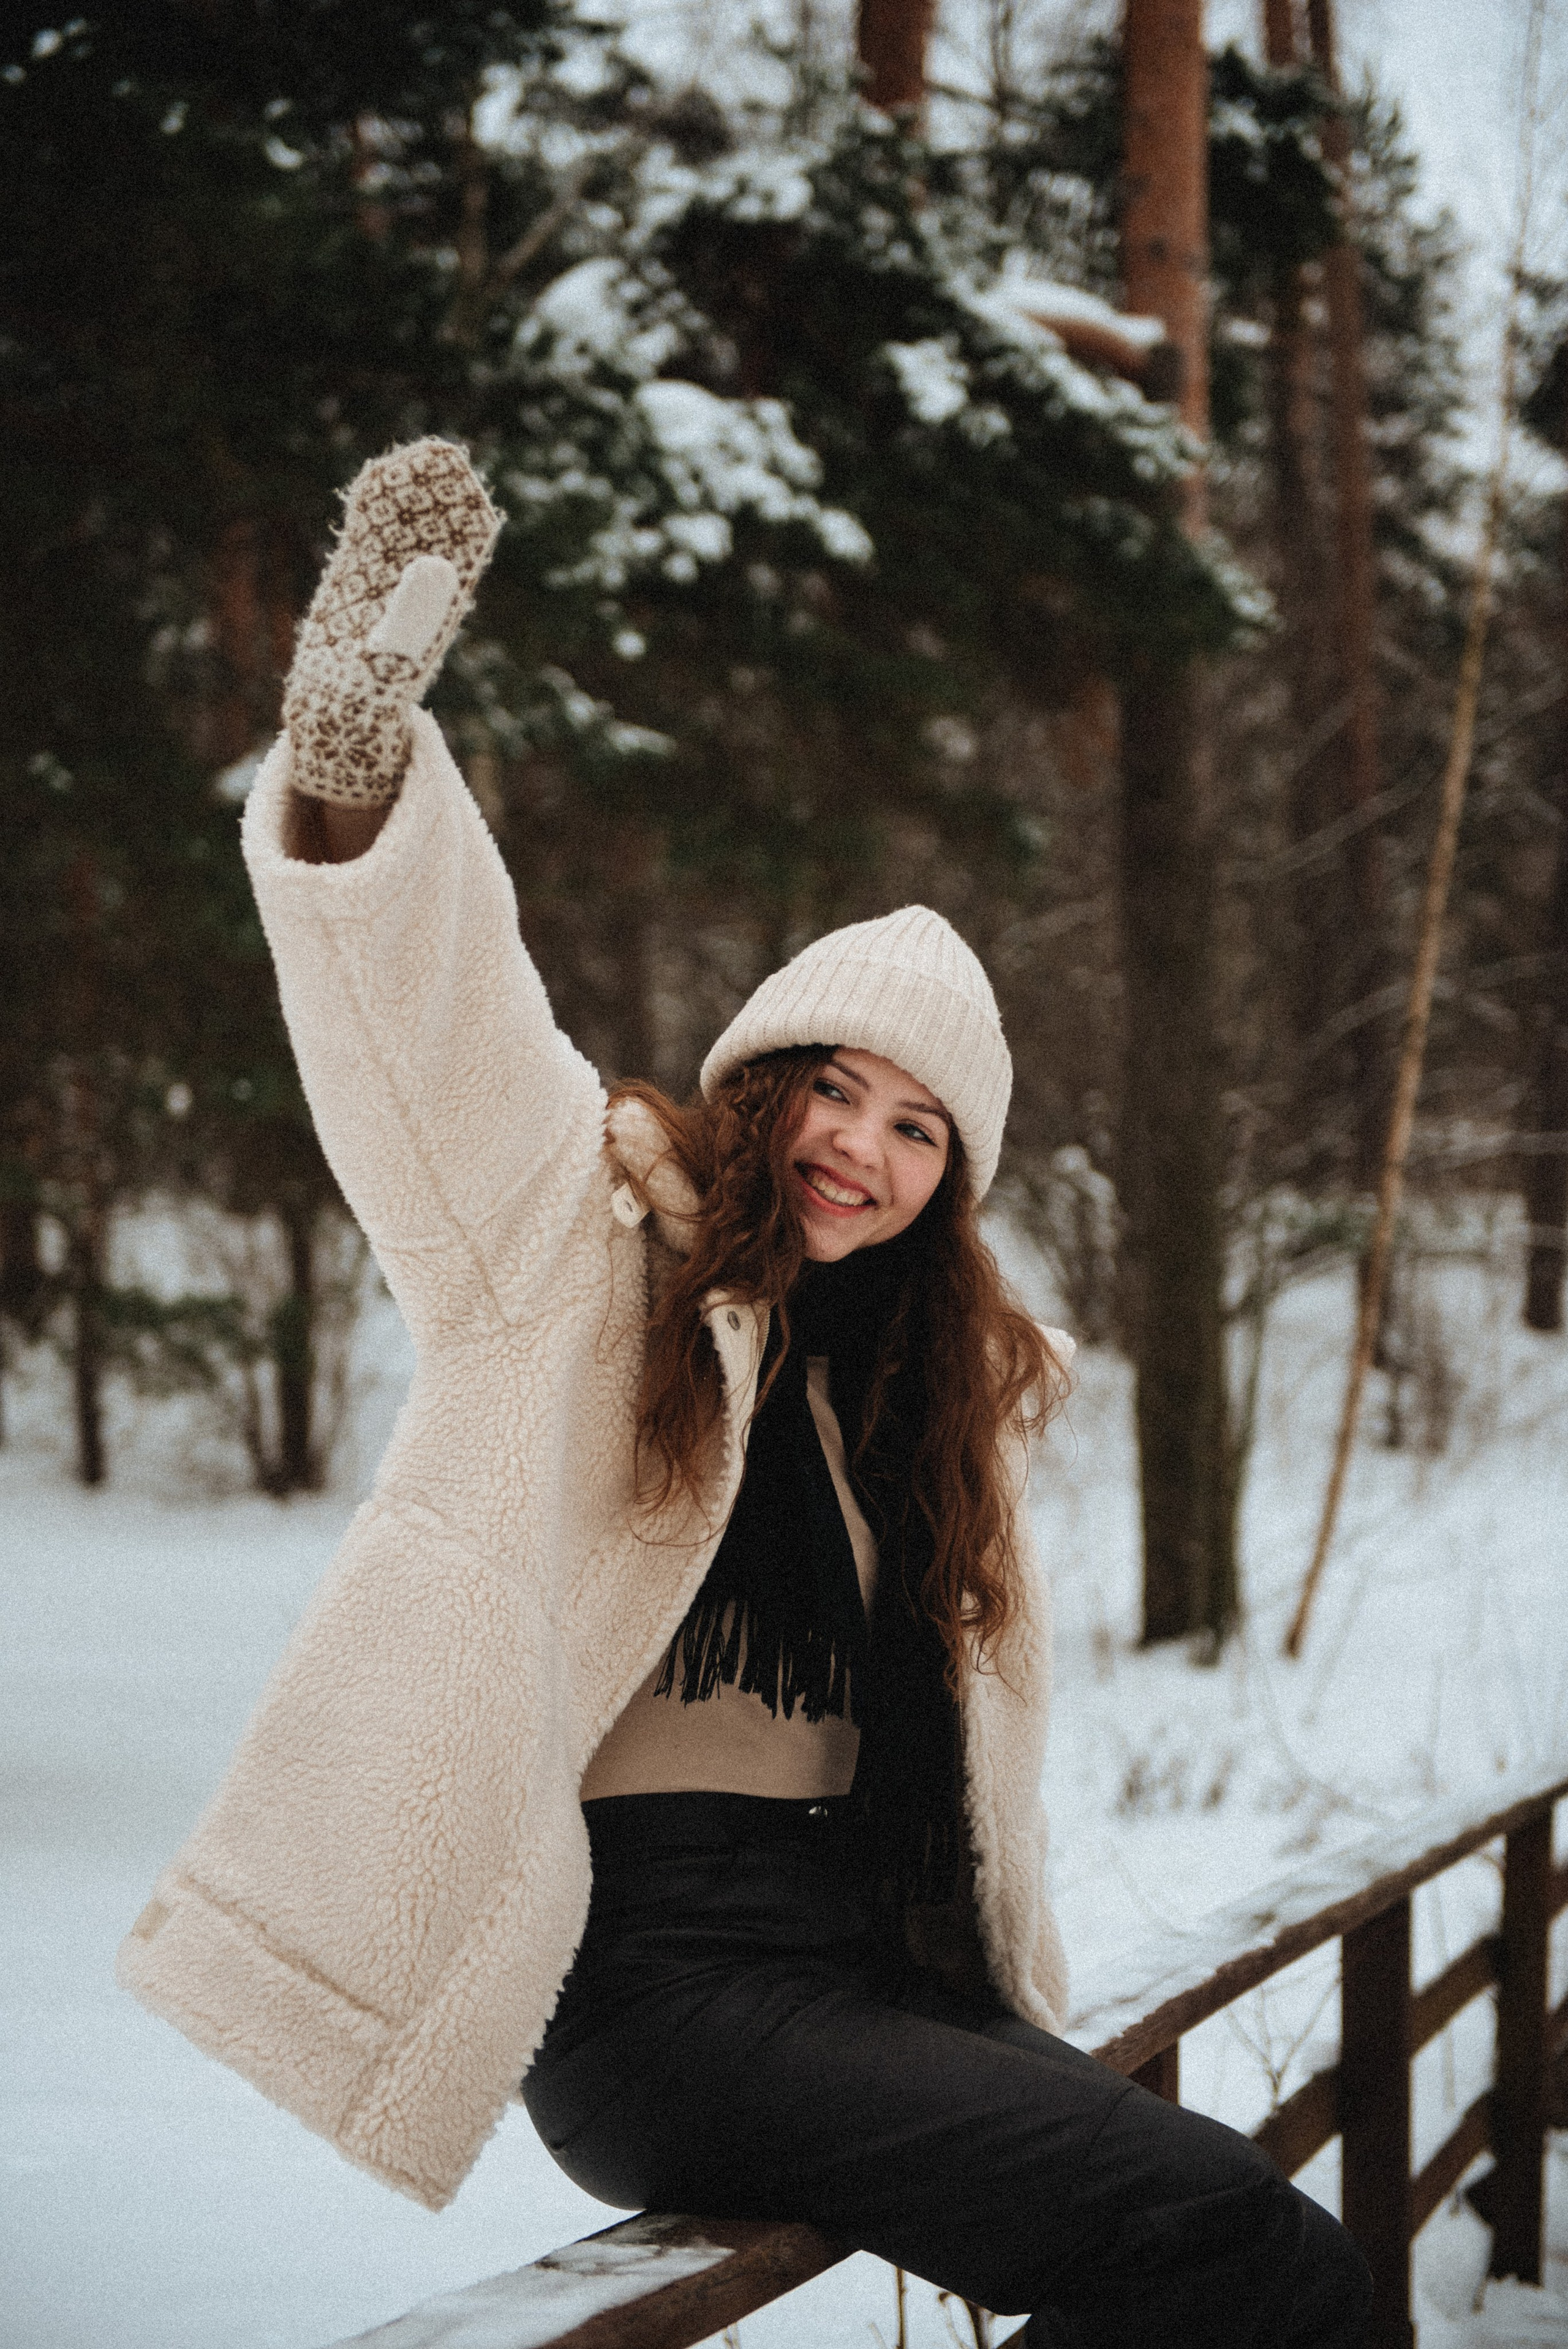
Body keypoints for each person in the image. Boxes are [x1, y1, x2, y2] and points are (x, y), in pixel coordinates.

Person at [119, 441, 1371, 2347]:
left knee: (1247, 2252)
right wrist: (360, 766)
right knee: (1254, 2252)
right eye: (835, 1087)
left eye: (920, 1125)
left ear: (954, 1179)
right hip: (660, 1984)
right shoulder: (585, 1250)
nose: (863, 1146)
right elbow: (443, 1032)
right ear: (757, 1083)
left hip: (868, 1960)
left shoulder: (920, 1404)